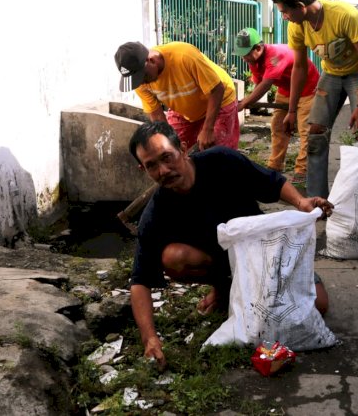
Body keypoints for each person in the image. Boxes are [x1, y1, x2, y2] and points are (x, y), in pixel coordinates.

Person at [128, 120, 334, 368]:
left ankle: (249, 289)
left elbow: (272, 182)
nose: (163, 170)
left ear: (183, 149)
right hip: (222, 265)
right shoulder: (155, 214)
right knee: (173, 257)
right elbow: (140, 280)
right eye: (152, 165)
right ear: (143, 169)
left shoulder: (222, 161)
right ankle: (226, 288)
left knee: (318, 305)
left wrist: (301, 203)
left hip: (264, 254)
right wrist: (149, 338)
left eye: (167, 157)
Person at [268, 0, 358, 198]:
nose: (284, 17)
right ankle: (316, 200)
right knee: (315, 136)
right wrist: (291, 110)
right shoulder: (297, 27)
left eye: (285, 11)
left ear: (300, 6)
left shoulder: (344, 15)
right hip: (331, 75)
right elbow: (299, 68)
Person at [115, 41, 240, 151]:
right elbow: (157, 115)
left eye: (143, 77)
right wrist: (171, 142)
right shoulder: (139, 82)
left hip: (220, 99)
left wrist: (208, 129)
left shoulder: (184, 56)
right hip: (184, 108)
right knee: (171, 147)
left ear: (151, 60)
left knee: (217, 153)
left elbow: (217, 89)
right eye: (136, 80)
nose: (141, 83)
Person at [233, 27, 320, 182]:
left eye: (245, 54)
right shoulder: (253, 59)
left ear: (258, 48)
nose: (243, 58)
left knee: (306, 130)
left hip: (308, 88)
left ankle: (302, 171)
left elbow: (266, 85)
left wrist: (244, 103)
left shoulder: (275, 55)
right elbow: (258, 82)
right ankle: (275, 166)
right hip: (286, 90)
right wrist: (249, 101)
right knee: (278, 126)